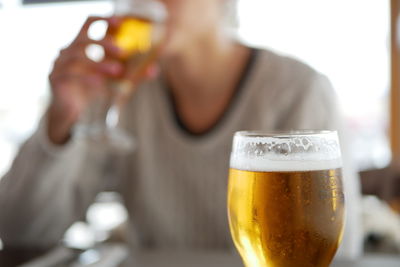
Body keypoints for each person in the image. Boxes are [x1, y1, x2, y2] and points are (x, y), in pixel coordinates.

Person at [0, 0, 362, 261]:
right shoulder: (120, 94)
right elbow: (21, 231)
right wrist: (62, 120)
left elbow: (331, 252)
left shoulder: (296, 88)